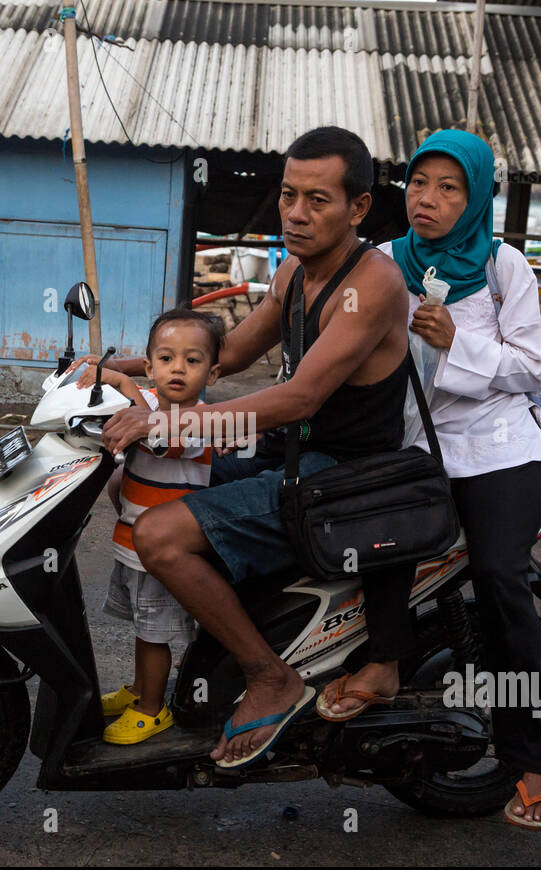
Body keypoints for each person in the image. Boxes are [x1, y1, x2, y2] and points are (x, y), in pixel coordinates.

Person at [93, 126, 412, 770]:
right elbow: (230, 355)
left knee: (158, 535)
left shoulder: (372, 283)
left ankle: (270, 676)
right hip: (288, 451)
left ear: (358, 208)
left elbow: (299, 397)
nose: (295, 213)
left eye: (317, 200)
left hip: (342, 474)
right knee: (144, 478)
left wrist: (173, 424)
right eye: (289, 195)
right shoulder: (295, 269)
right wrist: (108, 365)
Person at [321, 129, 541, 827]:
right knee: (373, 544)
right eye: (420, 184)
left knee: (499, 577)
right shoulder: (382, 263)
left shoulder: (502, 266)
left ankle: (536, 757)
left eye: (449, 187)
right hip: (410, 444)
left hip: (497, 448)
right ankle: (385, 665)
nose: (427, 199)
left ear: (477, 195)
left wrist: (458, 341)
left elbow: (530, 368)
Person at [88, 309, 222, 744]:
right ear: (150, 367)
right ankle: (140, 690)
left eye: (192, 360)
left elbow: (165, 441)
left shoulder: (200, 420)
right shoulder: (145, 405)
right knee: (142, 629)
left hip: (163, 556)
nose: (177, 368)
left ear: (213, 371)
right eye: (166, 358)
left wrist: (123, 385)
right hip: (132, 547)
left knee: (154, 636)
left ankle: (152, 709)